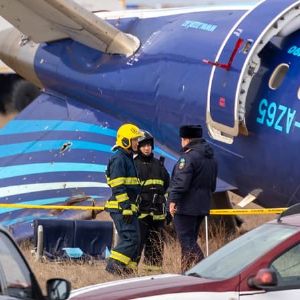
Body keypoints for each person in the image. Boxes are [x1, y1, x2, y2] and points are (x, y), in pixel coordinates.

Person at [168, 124, 218, 272]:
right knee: (189, 242)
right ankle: (187, 274)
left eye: (182, 139)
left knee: (187, 241)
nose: (181, 143)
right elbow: (213, 185)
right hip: (202, 206)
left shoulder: (188, 158)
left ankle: (206, 270)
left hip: (185, 207)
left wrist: (172, 200)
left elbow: (180, 183)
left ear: (187, 139)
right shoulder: (211, 158)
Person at [104, 123, 143, 275]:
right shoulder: (119, 159)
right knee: (130, 240)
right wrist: (126, 207)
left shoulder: (128, 158)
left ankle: (128, 273)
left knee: (136, 240)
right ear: (125, 141)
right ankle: (112, 268)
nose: (137, 143)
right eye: (134, 140)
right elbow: (118, 186)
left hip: (129, 208)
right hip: (121, 208)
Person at [134, 130, 170, 269]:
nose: (147, 148)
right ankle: (129, 275)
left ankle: (153, 276)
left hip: (157, 216)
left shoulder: (159, 165)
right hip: (140, 215)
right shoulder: (134, 164)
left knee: (156, 248)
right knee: (137, 247)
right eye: (143, 145)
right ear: (139, 147)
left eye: (149, 145)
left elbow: (167, 185)